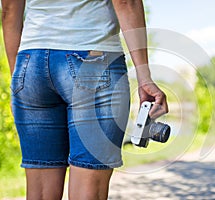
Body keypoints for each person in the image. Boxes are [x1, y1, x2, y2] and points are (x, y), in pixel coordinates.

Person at [1, 0, 168, 199]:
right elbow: (126, 2)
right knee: (88, 190)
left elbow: (9, 10)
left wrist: (17, 80)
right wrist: (144, 76)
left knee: (41, 193)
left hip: (31, 66)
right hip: (93, 58)